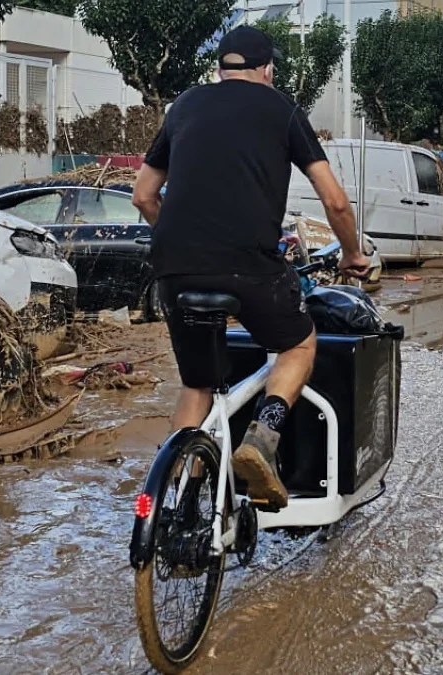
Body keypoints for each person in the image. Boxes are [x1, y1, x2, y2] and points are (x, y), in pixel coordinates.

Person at [132, 26, 369, 510]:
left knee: (198, 384)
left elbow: (143, 195)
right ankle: (262, 438)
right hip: (249, 264)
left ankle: (179, 507)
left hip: (174, 267)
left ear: (220, 68)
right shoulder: (281, 109)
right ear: (268, 70)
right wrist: (353, 255)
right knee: (299, 343)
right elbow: (336, 202)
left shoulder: (185, 107)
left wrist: (181, 243)